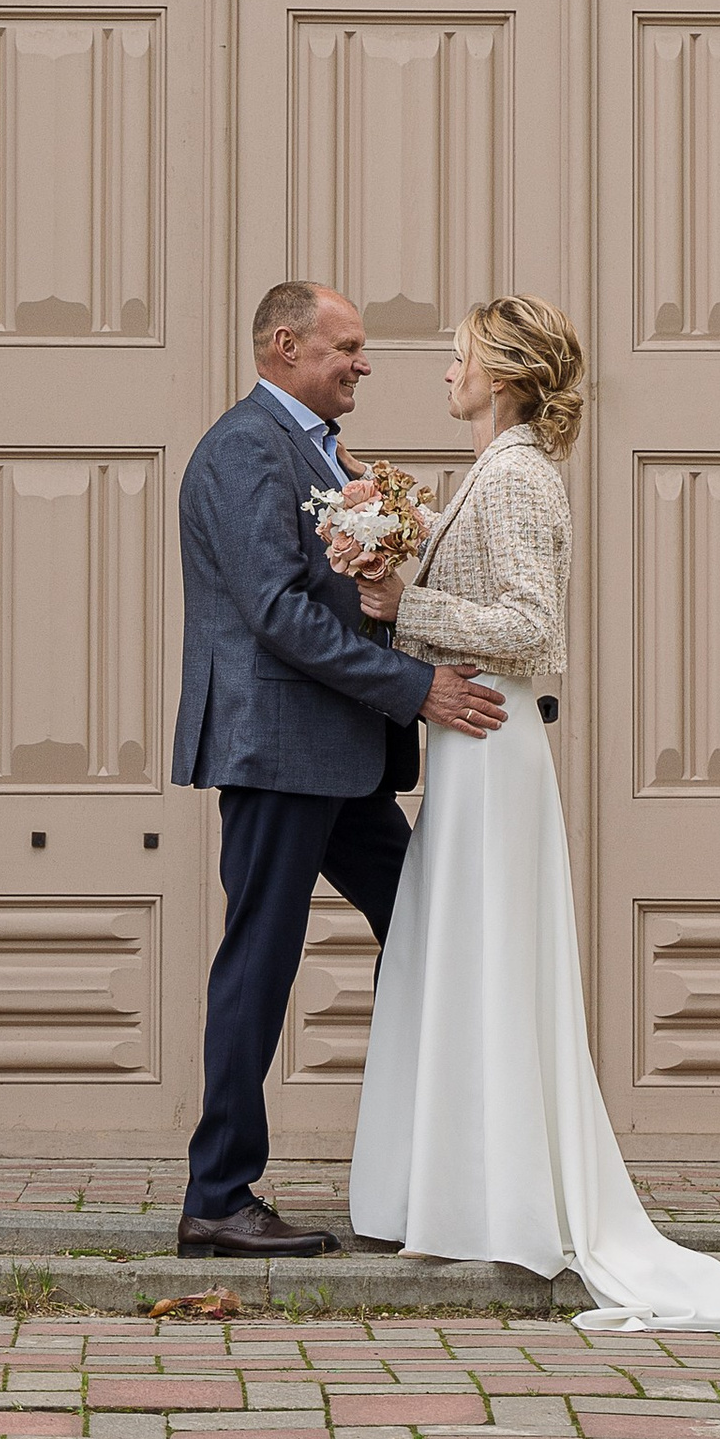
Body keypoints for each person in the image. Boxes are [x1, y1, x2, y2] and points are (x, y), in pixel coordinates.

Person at [336, 295, 720, 1335]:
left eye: (460, 356)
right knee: (462, 960)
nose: (444, 370)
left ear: (508, 371)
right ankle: (456, 1189)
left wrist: (405, 610)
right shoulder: (492, 473)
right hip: (470, 746)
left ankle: (498, 1197)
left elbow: (532, 626)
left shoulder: (521, 475)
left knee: (492, 961)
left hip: (495, 741)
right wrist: (398, 539)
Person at [171, 279, 506, 1260]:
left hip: (342, 756)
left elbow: (337, 590)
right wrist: (415, 690)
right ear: (284, 346)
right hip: (278, 751)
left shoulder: (316, 450)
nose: (363, 362)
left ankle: (462, 1167)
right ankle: (217, 1196)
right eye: (345, 347)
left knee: (433, 932)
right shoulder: (243, 449)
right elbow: (275, 614)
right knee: (260, 965)